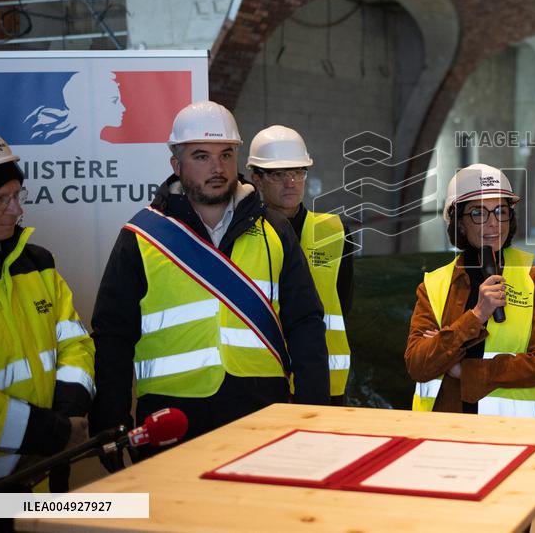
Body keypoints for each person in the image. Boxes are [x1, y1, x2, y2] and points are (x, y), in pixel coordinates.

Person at [90, 101, 330, 465]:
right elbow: (113, 335)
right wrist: (110, 420)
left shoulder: (274, 231)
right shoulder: (141, 237)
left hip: (264, 412)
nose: (217, 168)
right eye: (201, 156)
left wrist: (314, 411)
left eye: (226, 154)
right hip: (172, 416)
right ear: (176, 164)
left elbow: (305, 324)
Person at [405, 164, 535, 417]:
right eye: (479, 213)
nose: (493, 224)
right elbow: (418, 365)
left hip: (513, 431)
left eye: (501, 211)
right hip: (446, 430)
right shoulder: (434, 285)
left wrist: (465, 371)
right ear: (460, 223)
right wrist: (476, 315)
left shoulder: (534, 280)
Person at [0, 129, 94, 491]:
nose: (16, 210)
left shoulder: (38, 263)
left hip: (49, 472)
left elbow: (75, 343)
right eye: (1, 199)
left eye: (17, 196)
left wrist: (67, 418)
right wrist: (45, 431)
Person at [247, 125, 354, 405]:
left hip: (325, 378)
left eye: (297, 172)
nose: (291, 182)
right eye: (279, 174)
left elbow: (344, 303)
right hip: (264, 378)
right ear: (256, 178)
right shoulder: (243, 235)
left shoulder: (334, 230)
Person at [25, 71, 125, 145]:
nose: (123, 108)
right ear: (90, 106)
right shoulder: (60, 147)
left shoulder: (108, 149)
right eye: (114, 101)